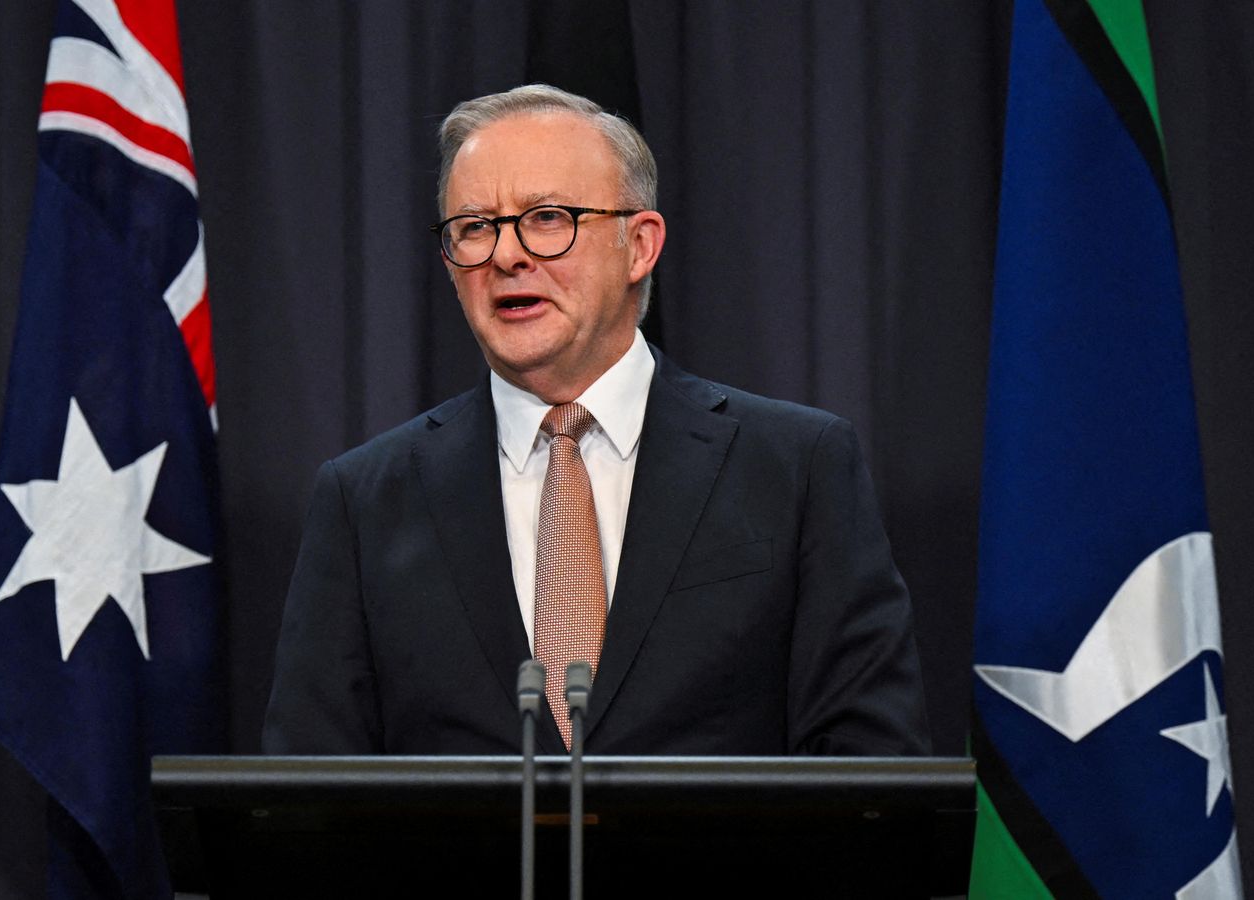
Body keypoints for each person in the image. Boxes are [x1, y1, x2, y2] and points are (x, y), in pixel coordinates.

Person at [263, 84, 929, 757]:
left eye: (547, 217)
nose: (506, 255)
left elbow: (869, 762)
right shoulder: (365, 500)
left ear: (639, 245)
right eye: (474, 227)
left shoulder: (797, 468)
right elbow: (310, 784)